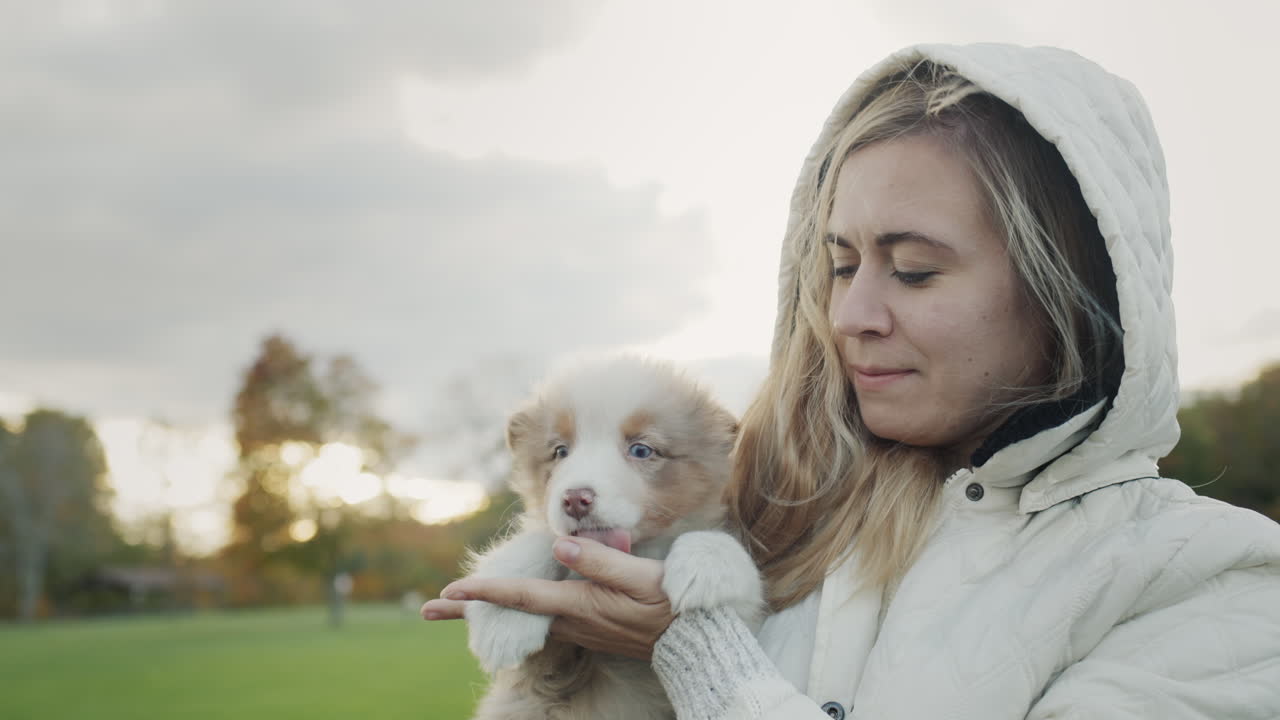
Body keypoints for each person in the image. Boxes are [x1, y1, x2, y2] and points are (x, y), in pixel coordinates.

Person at [422, 43, 1280, 719]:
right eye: (839, 266)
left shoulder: (1214, 582)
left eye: (911, 272)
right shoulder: (778, 504)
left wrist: (700, 658)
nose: (848, 315)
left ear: (1067, 293)